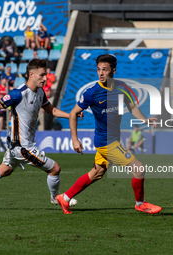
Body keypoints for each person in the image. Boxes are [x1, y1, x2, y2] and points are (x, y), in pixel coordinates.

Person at [0, 59, 82, 210]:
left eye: (46, 75)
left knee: (4, 170)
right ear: (32, 74)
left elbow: (51, 110)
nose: (45, 78)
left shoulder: (40, 92)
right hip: (21, 147)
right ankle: (57, 198)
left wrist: (71, 115)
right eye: (42, 75)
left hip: (21, 144)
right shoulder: (19, 93)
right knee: (55, 169)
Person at [56, 54, 162, 215]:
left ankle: (65, 197)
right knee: (138, 169)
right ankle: (140, 203)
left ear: (113, 70)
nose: (100, 73)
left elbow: (132, 106)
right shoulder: (92, 92)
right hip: (106, 142)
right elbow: (73, 113)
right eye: (98, 69)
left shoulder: (122, 87)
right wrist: (74, 139)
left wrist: (144, 120)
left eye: (104, 70)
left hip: (113, 139)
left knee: (96, 173)